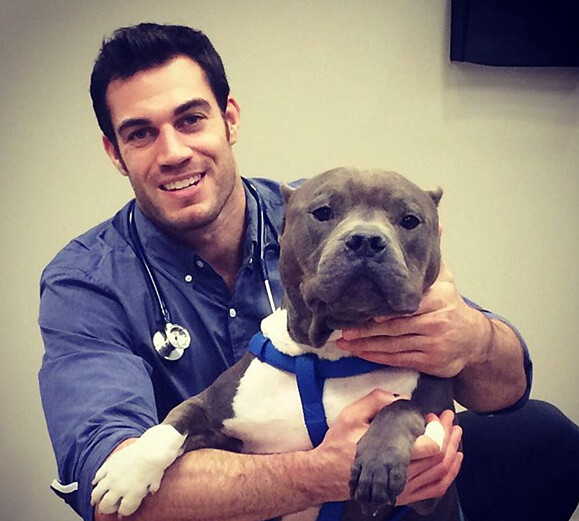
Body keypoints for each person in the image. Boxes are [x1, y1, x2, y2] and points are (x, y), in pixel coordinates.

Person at [38, 23, 578, 521]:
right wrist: (319, 473)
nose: (173, 152)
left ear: (229, 118)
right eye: (140, 133)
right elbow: (108, 491)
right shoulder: (87, 283)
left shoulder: (319, 214)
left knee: (540, 434)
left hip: (388, 478)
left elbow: (506, 389)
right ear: (114, 153)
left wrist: (473, 339)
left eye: (190, 119)